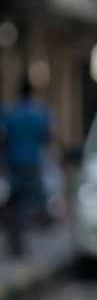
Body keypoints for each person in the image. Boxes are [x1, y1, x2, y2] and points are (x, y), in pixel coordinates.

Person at [0, 77, 52, 258]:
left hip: (12, 163)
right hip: (31, 162)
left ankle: (14, 236)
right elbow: (46, 137)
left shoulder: (9, 112)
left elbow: (3, 137)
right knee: (26, 202)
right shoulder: (38, 113)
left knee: (13, 201)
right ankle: (19, 237)